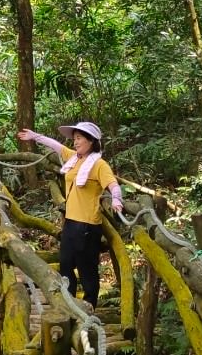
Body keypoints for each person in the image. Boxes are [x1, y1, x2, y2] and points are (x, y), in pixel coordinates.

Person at [17, 121, 123, 309]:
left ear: (91, 141)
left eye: (79, 138)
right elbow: (57, 146)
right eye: (74, 139)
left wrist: (116, 200)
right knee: (65, 264)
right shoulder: (74, 158)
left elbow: (113, 185)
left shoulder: (99, 164)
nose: (75, 142)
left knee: (87, 269)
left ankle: (89, 307)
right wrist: (35, 136)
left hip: (88, 225)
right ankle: (69, 304)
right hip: (71, 222)